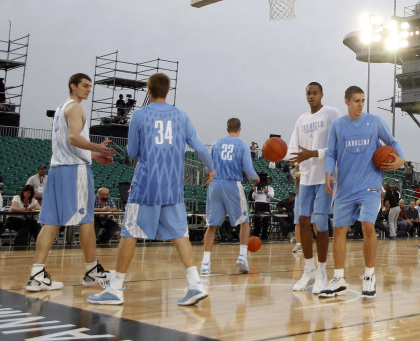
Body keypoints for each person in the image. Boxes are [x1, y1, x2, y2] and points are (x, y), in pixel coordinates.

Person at [89, 73, 215, 307]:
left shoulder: (139, 115)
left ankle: (115, 289)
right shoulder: (181, 115)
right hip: (172, 186)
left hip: (146, 185)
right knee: (180, 235)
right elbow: (199, 145)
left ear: (148, 90)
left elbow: (131, 152)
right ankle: (195, 283)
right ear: (167, 91)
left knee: (129, 233)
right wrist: (211, 168)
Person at [26, 73, 115, 292]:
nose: (88, 89)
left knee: (51, 222)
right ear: (73, 86)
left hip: (57, 169)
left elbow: (68, 145)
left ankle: (37, 274)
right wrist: (98, 148)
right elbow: (74, 138)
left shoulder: (60, 109)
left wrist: (93, 156)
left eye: (90, 86)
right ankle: (92, 271)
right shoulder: (75, 107)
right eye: (85, 85)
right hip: (74, 171)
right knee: (86, 220)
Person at [321, 85, 404, 299]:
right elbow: (330, 153)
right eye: (356, 100)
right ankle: (338, 277)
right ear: (347, 101)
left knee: (368, 226)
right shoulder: (338, 126)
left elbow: (392, 143)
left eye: (363, 100)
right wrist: (329, 172)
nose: (360, 104)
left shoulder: (374, 122)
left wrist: (400, 159)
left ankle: (369, 275)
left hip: (370, 185)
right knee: (338, 232)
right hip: (345, 187)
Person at [287, 81, 342, 294]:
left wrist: (313, 153)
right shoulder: (301, 119)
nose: (311, 96)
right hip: (306, 177)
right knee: (302, 221)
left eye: (315, 93)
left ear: (322, 94)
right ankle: (308, 269)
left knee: (319, 221)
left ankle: (322, 271)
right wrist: (280, 154)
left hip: (326, 176)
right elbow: (292, 149)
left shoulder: (331, 113)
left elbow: (337, 143)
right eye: (308, 93)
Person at [200, 117, 259, 276]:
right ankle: (242, 256)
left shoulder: (216, 144)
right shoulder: (242, 145)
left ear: (227, 128)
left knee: (211, 226)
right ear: (240, 128)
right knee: (244, 221)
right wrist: (256, 178)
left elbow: (208, 168)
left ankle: (205, 263)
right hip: (232, 184)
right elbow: (248, 169)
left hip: (215, 184)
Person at [251, 176, 275, 240]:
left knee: (266, 221)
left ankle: (264, 236)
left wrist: (267, 192)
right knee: (257, 221)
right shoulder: (257, 188)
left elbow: (272, 195)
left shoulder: (270, 188)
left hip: (266, 204)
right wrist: (254, 191)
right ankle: (256, 235)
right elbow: (254, 197)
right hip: (258, 204)